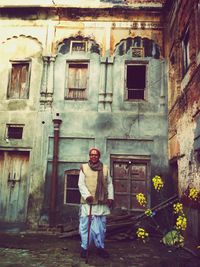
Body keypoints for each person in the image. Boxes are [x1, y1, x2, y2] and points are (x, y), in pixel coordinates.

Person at [78, 147, 114, 259]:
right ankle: (85, 248)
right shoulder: (84, 168)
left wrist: (111, 197)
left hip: (101, 202)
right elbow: (81, 184)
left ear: (99, 156)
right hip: (87, 203)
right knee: (85, 227)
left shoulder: (105, 168)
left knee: (101, 227)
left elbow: (109, 184)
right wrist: (87, 195)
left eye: (96, 154)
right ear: (89, 156)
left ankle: (100, 248)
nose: (93, 156)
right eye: (91, 154)